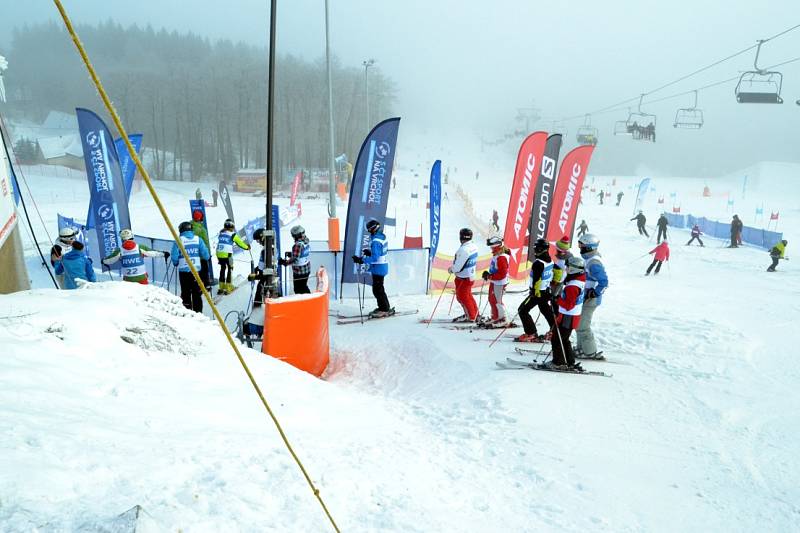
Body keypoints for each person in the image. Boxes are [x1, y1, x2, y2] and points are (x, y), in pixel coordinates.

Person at [542, 255, 586, 371]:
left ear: (573, 269)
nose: (566, 269)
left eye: (568, 267)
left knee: (557, 338)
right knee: (564, 339)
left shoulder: (572, 286)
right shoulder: (578, 280)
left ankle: (559, 362)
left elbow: (568, 305)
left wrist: (556, 300)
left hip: (569, 316)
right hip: (570, 315)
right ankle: (569, 361)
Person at [575, 233, 607, 359]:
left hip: (591, 299)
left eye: (581, 246)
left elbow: (604, 282)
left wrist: (594, 293)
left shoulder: (594, 262)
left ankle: (590, 352)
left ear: (589, 247)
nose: (580, 248)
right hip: (585, 297)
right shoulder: (589, 258)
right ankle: (581, 349)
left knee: (583, 326)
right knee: (578, 324)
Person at [516, 238, 555, 342]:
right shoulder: (549, 259)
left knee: (522, 310)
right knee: (545, 310)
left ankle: (531, 333)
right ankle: (555, 330)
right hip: (546, 291)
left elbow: (537, 280)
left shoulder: (538, 263)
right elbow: (556, 271)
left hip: (539, 293)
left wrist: (534, 292)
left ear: (541, 249)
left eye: (536, 248)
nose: (535, 250)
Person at [352, 219, 393, 318]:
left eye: (370, 230)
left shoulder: (375, 241)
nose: (369, 232)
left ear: (374, 229)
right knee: (379, 289)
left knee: (377, 290)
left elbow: (375, 257)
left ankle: (384, 309)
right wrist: (370, 252)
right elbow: (379, 252)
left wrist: (362, 260)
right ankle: (384, 307)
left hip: (378, 267)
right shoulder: (381, 237)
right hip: (381, 266)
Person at [102, 229, 168, 284]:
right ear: (132, 237)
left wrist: (103, 261)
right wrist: (163, 254)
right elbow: (154, 253)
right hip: (141, 278)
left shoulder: (119, 250)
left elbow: (109, 260)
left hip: (128, 280)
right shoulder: (140, 247)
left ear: (122, 239)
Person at [171, 221, 211, 313]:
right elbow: (206, 256)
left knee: (186, 293)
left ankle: (187, 312)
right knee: (197, 293)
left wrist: (176, 263)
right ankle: (198, 313)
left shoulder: (178, 240)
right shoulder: (198, 239)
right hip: (196, 271)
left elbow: (174, 257)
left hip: (184, 272)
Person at [448, 228, 479, 322]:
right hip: (469, 275)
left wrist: (451, 269)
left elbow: (458, 266)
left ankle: (471, 316)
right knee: (467, 296)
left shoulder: (464, 250)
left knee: (463, 297)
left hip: (464, 277)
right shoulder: (473, 246)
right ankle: (474, 313)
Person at [481, 236, 510, 326]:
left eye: (492, 247)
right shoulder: (497, 255)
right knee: (491, 299)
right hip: (495, 281)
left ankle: (503, 318)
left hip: (500, 282)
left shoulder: (502, 258)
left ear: (497, 247)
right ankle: (495, 317)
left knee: (498, 300)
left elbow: (502, 274)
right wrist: (488, 275)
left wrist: (490, 276)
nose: (491, 249)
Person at [215, 219, 250, 295]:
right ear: (232, 227)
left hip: (219, 253)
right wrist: (247, 247)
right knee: (230, 268)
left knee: (223, 268)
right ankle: (228, 287)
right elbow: (240, 243)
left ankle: (221, 287)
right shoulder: (233, 234)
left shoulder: (221, 233)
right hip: (227, 254)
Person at [279, 225, 311, 294]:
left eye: (293, 235)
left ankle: (306, 302)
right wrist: (291, 254)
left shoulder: (298, 245)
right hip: (306, 269)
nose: (293, 237)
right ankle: (310, 300)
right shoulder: (306, 241)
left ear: (296, 236)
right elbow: (301, 254)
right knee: (303, 287)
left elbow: (295, 259)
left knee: (298, 290)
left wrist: (284, 262)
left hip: (299, 271)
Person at [191, 210, 212, 289]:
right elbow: (206, 243)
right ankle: (205, 286)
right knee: (204, 271)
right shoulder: (201, 230)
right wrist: (208, 254)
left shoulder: (190, 227)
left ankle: (197, 286)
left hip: (192, 255)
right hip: (201, 255)